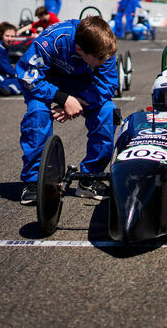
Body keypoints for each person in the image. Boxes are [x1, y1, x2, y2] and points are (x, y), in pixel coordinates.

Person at [14, 16, 118, 205]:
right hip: (46, 83)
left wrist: (78, 102)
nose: (105, 62)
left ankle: (90, 179)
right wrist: (62, 98)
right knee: (36, 115)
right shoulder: (52, 39)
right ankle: (34, 181)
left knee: (107, 112)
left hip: (83, 88)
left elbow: (107, 86)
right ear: (79, 49)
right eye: (100, 60)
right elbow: (28, 77)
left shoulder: (104, 49)